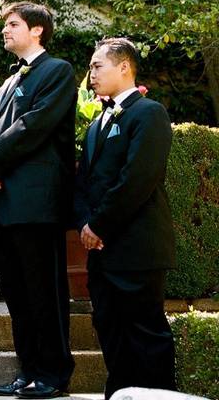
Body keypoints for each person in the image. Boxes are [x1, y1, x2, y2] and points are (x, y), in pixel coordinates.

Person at [0, 2, 76, 399]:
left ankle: (53, 373)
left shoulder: (57, 71)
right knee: (17, 293)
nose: (5, 30)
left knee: (44, 292)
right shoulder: (7, 80)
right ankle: (28, 371)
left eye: (13, 24)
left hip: (35, 203)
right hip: (2, 203)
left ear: (37, 31)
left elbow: (33, 126)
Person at [75, 38, 176, 399]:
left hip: (138, 248)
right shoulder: (96, 123)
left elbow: (138, 178)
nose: (91, 75)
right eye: (90, 68)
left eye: (97, 66)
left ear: (124, 68)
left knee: (146, 334)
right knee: (110, 330)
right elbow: (83, 183)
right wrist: (86, 224)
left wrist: (98, 225)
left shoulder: (149, 113)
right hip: (102, 253)